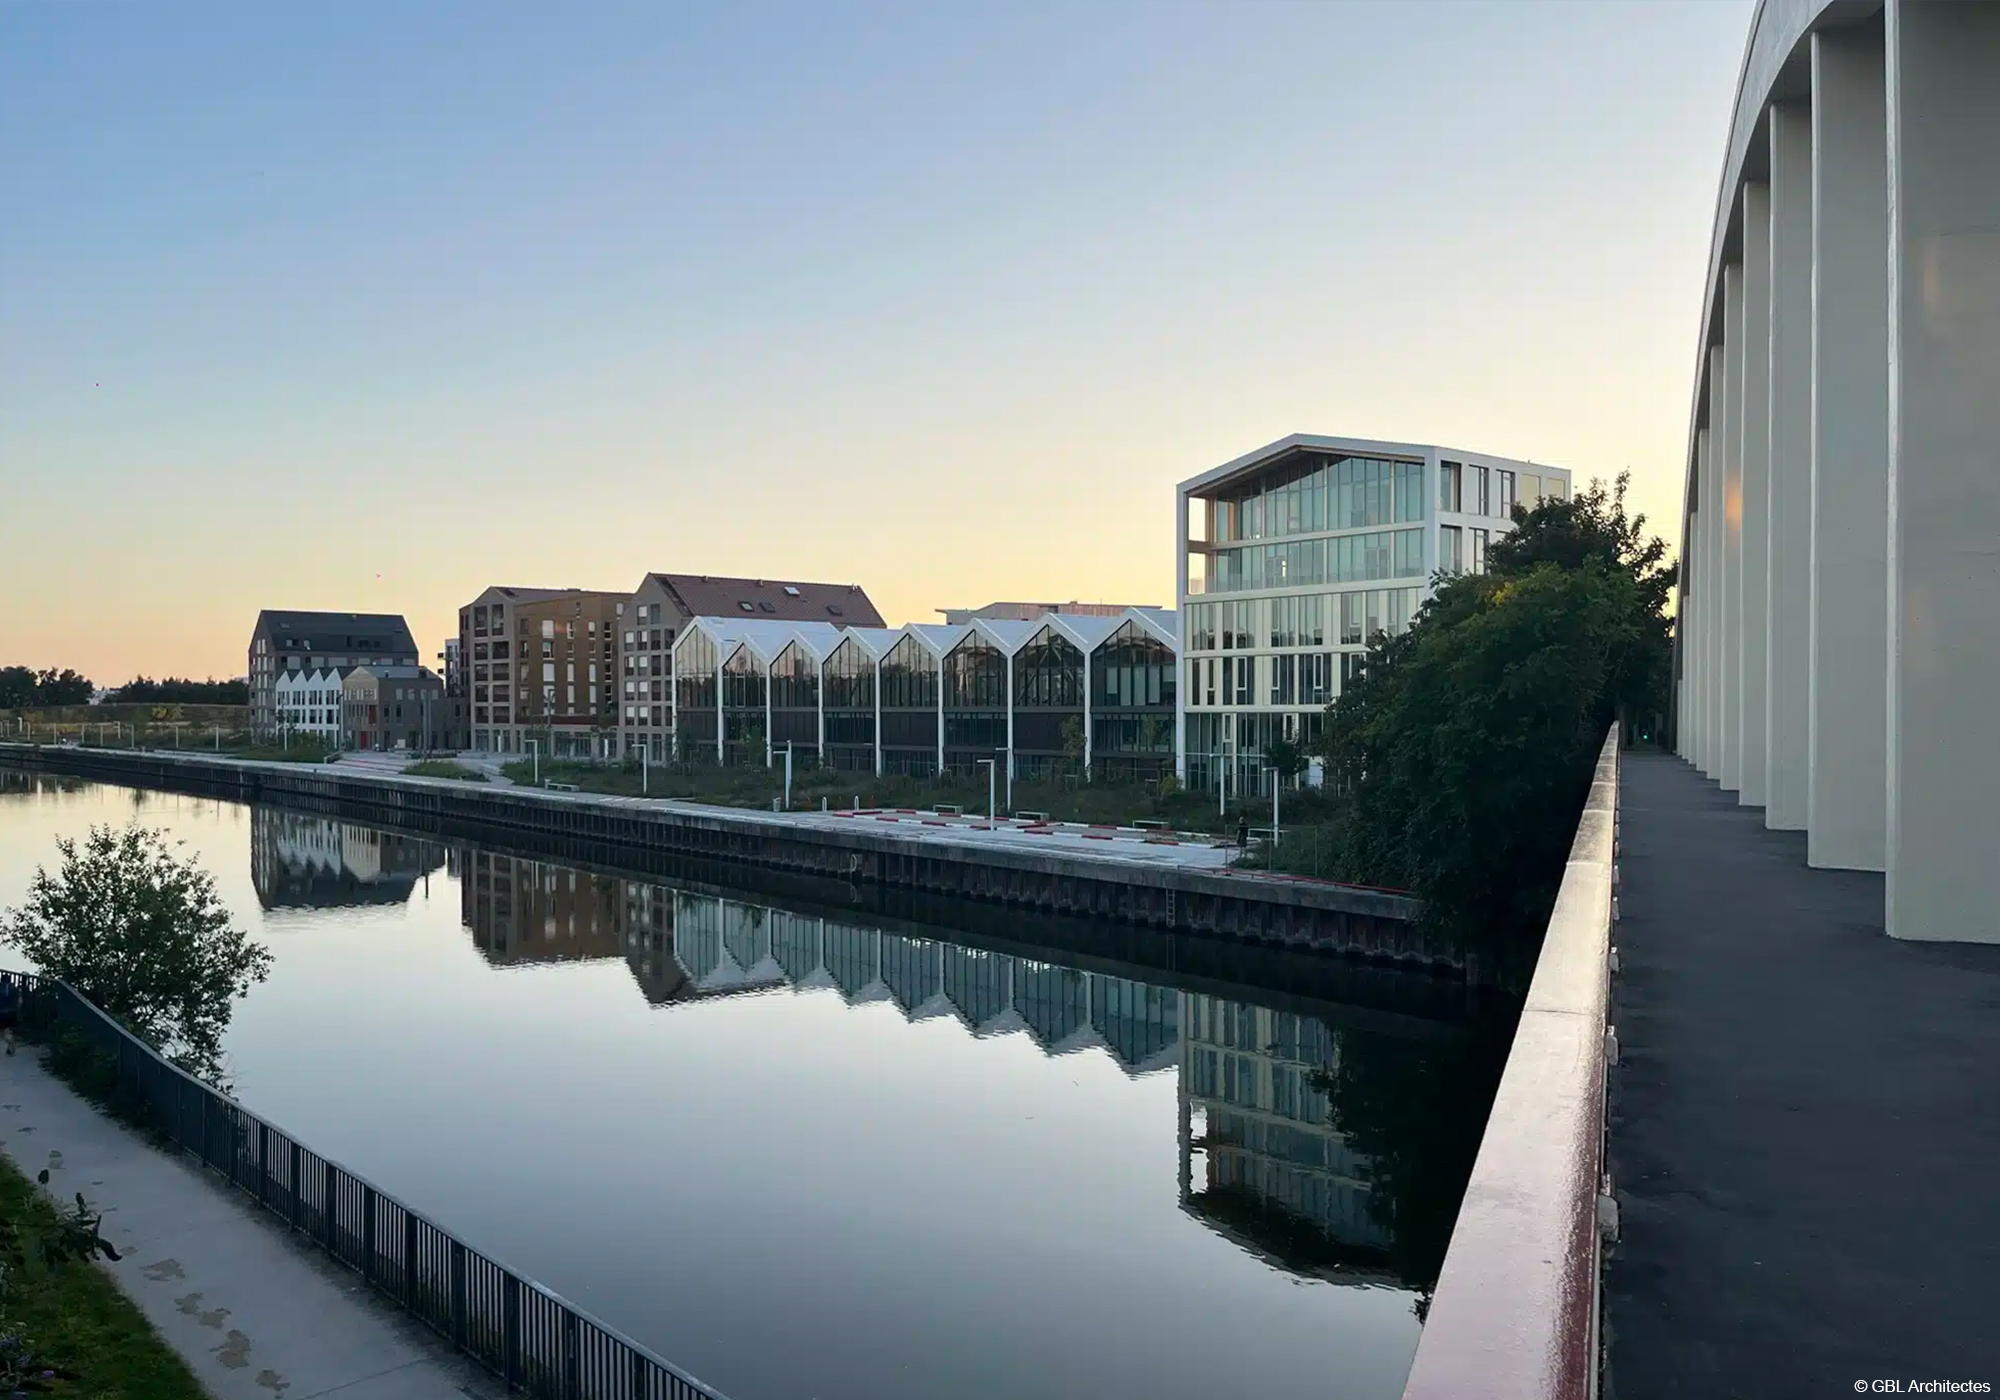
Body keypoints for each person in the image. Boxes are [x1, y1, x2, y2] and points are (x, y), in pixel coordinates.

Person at [0, 977, 18, 1056]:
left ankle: (11, 1045)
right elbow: (19, 1001)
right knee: (8, 1031)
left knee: (4, 1031)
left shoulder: (1, 988)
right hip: (11, 1011)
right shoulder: (14, 989)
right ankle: (11, 1045)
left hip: (2, 1012)